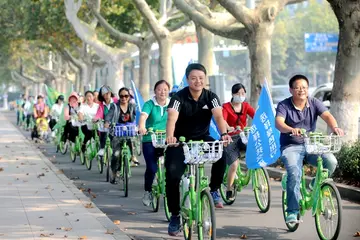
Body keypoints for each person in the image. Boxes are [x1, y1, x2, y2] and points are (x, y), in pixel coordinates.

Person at [165, 63, 232, 236]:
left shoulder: (211, 97)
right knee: (172, 175)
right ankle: (174, 215)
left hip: (203, 139)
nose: (198, 81)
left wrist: (224, 134)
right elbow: (171, 118)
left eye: (201, 78)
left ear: (205, 79)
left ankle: (215, 189)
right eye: (193, 78)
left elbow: (218, 116)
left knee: (222, 153)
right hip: (180, 142)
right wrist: (170, 137)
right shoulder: (178, 98)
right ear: (187, 80)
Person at [275, 74, 344, 224]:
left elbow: (327, 115)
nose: (302, 90)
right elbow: (279, 123)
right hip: (291, 146)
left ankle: (314, 184)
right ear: (291, 90)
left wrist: (335, 127)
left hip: (311, 144)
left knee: (331, 161)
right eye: (298, 87)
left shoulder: (314, 102)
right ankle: (292, 211)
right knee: (294, 172)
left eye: (304, 87)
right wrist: (290, 129)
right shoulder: (284, 105)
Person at [138, 80, 170, 206]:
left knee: (173, 167)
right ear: (155, 91)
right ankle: (148, 191)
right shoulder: (149, 104)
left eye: (165, 89)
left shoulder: (172, 104)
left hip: (167, 139)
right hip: (150, 139)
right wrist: (142, 126)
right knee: (152, 168)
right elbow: (143, 116)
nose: (162, 92)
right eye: (159, 89)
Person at [222, 83, 255, 201]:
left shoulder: (245, 106)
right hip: (230, 137)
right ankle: (229, 188)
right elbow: (222, 120)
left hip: (243, 135)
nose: (240, 95)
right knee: (234, 164)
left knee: (255, 150)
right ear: (232, 94)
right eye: (238, 93)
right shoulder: (226, 107)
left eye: (243, 93)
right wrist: (228, 128)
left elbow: (255, 116)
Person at [106, 87, 137, 184]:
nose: (124, 98)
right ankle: (114, 173)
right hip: (117, 132)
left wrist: (141, 124)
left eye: (126, 96)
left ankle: (133, 157)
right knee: (116, 155)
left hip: (129, 131)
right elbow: (109, 115)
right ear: (119, 97)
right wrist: (107, 122)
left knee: (132, 142)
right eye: (121, 96)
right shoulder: (114, 106)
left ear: (129, 97)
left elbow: (139, 115)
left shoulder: (132, 106)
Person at [94, 85, 118, 156]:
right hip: (105, 124)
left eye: (108, 93)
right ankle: (102, 148)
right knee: (103, 133)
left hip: (115, 123)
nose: (107, 95)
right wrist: (96, 118)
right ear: (102, 96)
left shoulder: (116, 101)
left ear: (111, 93)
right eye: (104, 94)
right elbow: (99, 113)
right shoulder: (101, 105)